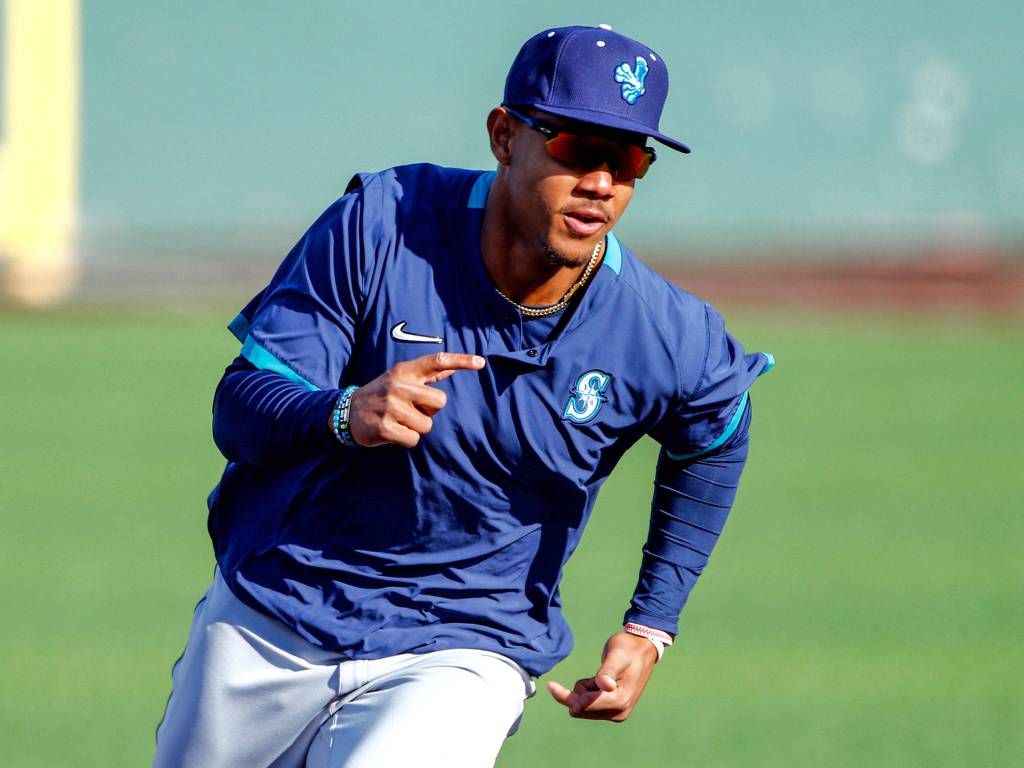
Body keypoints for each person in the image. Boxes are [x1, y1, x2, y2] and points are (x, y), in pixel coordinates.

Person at [154, 23, 772, 768]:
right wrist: (343, 413)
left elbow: (716, 433)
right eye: (576, 147)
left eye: (629, 159)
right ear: (505, 136)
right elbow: (241, 405)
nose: (602, 183)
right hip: (273, 612)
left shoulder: (661, 330)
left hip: (464, 645)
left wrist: (651, 626)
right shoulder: (384, 223)